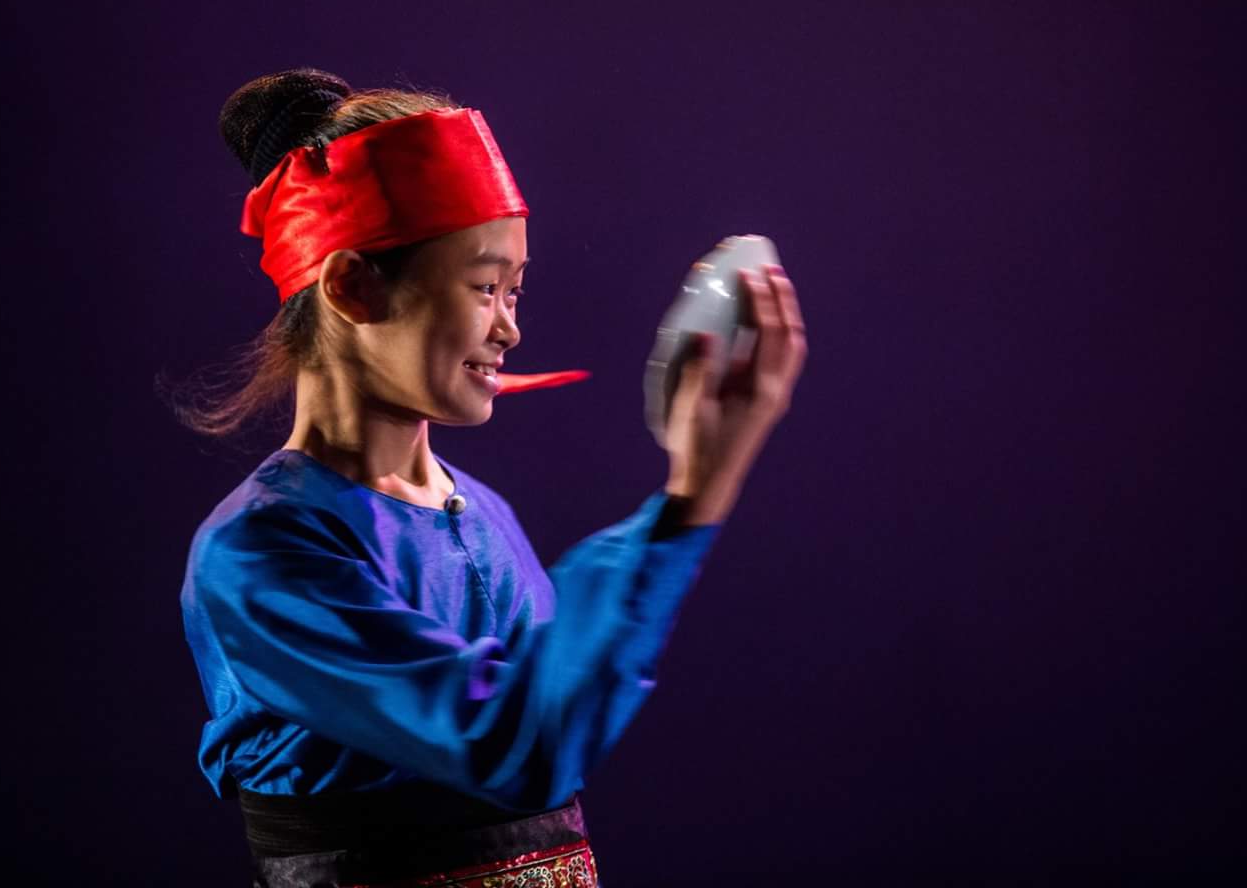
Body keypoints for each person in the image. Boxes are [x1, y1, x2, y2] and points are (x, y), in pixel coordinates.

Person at [174, 68, 807, 888]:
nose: (510, 327)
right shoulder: (259, 553)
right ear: (353, 287)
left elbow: (558, 722)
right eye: (483, 288)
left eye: (515, 289)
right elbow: (515, 745)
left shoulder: (481, 514)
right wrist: (688, 501)